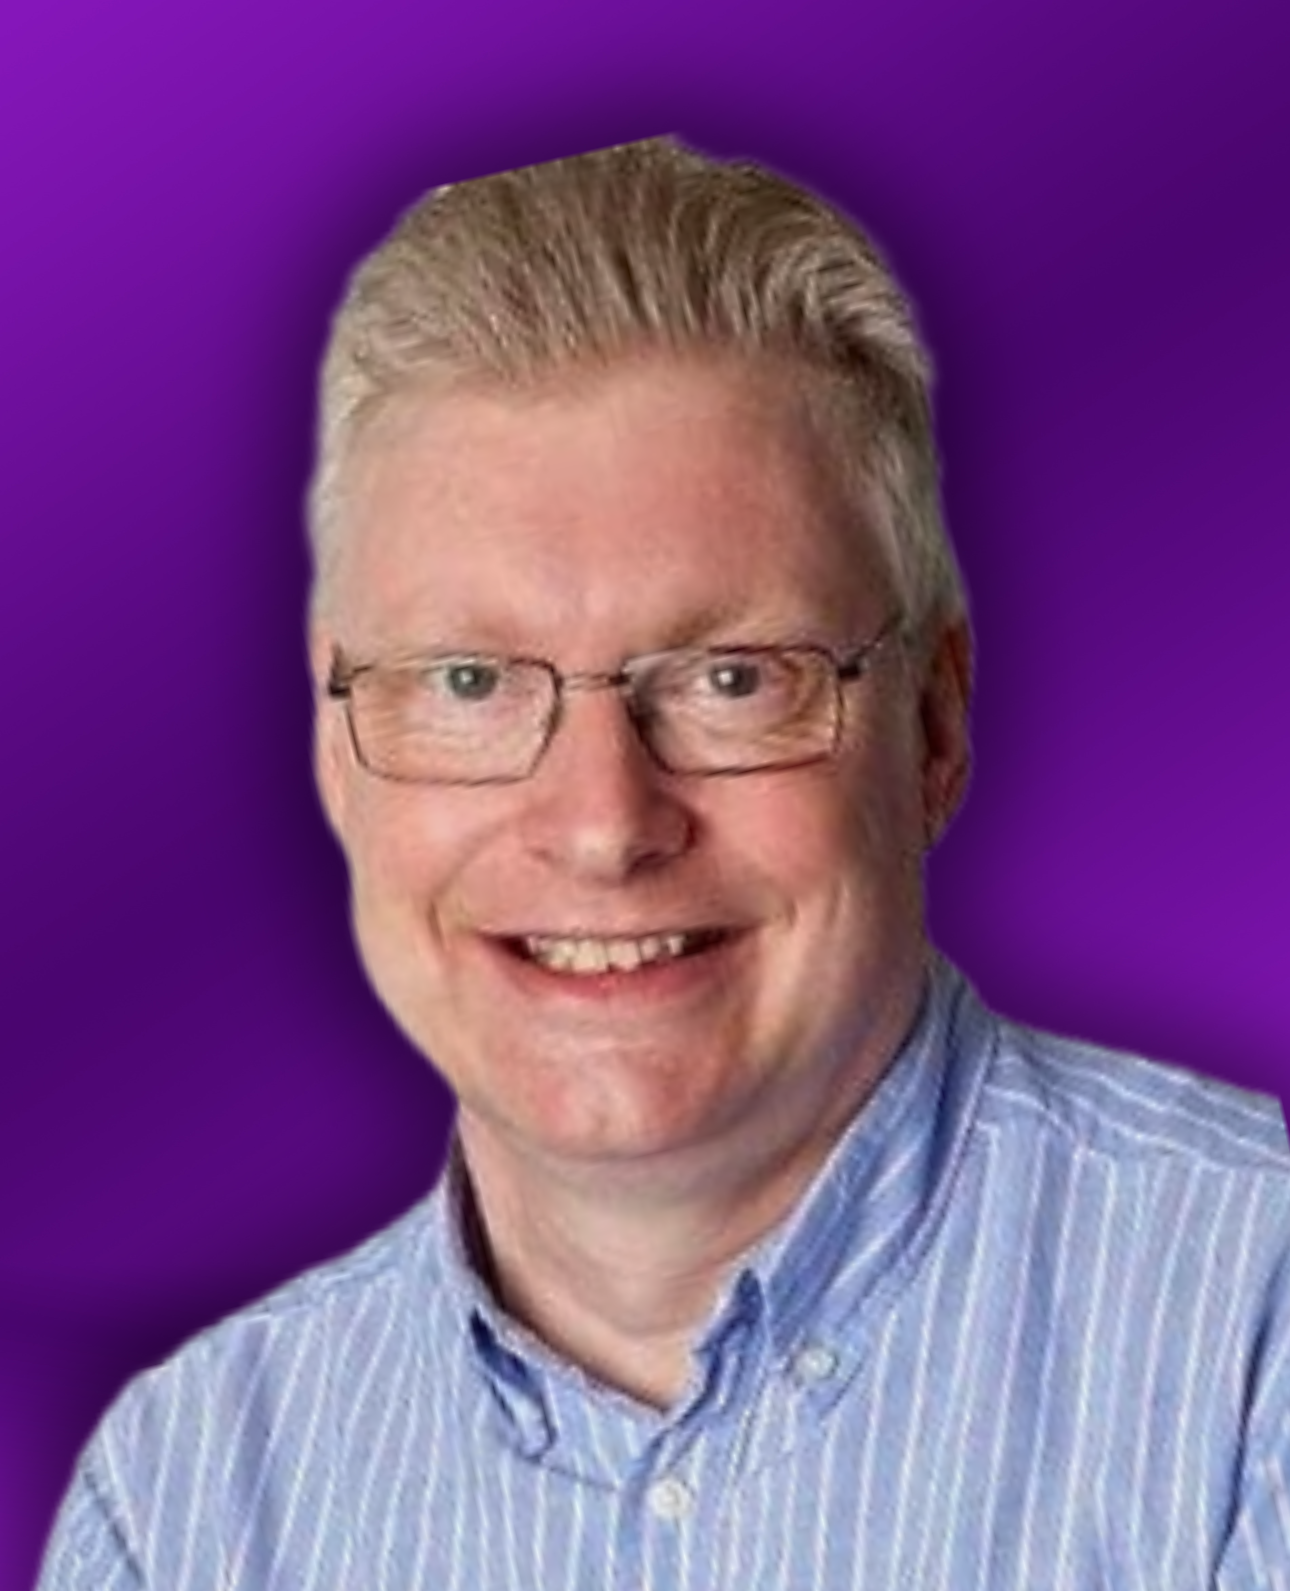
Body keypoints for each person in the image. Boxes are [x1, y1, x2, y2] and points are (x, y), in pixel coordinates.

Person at [37, 137, 1290, 1589]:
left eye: (731, 678)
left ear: (934, 725)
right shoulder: (186, 1503)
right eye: (467, 681)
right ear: (336, 741)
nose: (602, 823)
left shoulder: (1252, 1341)